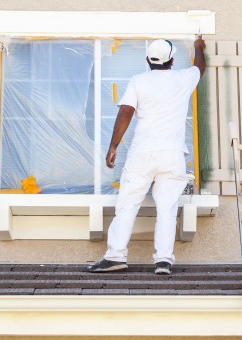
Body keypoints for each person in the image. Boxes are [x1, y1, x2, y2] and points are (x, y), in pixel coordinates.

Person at [88, 36, 206, 275]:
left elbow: (126, 112)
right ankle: (163, 261)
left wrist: (113, 147)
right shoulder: (183, 79)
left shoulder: (138, 81)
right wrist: (198, 47)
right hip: (172, 154)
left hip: (142, 153)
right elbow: (200, 67)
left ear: (147, 60)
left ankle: (115, 256)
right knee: (167, 208)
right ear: (172, 60)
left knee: (128, 205)